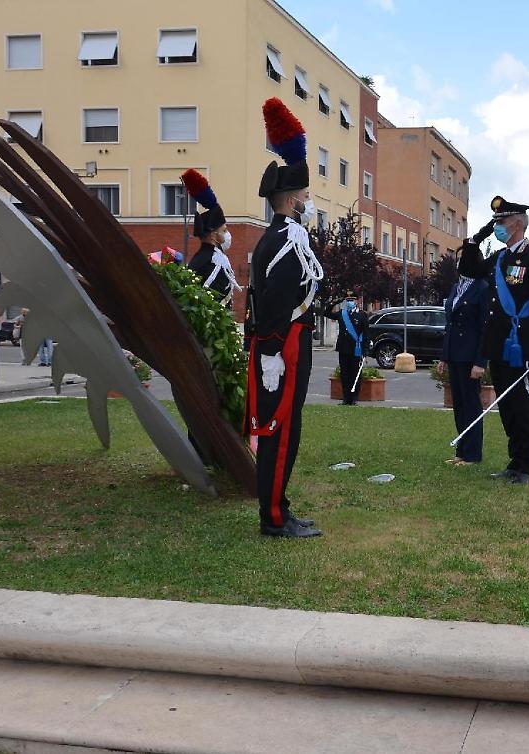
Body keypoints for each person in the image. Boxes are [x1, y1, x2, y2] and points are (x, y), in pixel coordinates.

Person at [243, 97, 324, 539]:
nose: (310, 204)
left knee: (283, 430)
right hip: (284, 345)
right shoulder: (288, 240)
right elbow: (273, 303)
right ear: (292, 200)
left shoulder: (276, 238)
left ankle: (280, 505)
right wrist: (273, 350)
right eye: (307, 197)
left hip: (281, 342)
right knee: (280, 430)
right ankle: (273, 516)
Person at [458, 196, 529, 484]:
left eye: (500, 222)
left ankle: (528, 467)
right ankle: (514, 462)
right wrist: (475, 240)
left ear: (516, 223)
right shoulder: (500, 258)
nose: (497, 226)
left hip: (521, 342)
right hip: (498, 342)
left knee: (523, 406)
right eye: (495, 222)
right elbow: (469, 270)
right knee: (507, 404)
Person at [437, 274, 490, 465]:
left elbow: (485, 327)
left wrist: (480, 361)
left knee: (471, 405)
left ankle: (473, 454)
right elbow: (449, 324)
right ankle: (462, 451)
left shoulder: (482, 287)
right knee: (459, 405)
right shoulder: (456, 287)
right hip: (455, 355)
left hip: (470, 356)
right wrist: (444, 356)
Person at [182, 169, 242, 308]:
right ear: (214, 235)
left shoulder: (206, 257)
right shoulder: (211, 261)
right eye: (224, 230)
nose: (228, 234)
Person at [324, 292, 370, 405]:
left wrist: (365, 350)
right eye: (348, 300)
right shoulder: (342, 313)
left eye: (352, 300)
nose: (350, 302)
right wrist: (335, 302)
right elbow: (326, 313)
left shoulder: (362, 315)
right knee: (344, 374)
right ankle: (346, 398)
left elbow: (366, 334)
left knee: (355, 374)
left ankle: (354, 398)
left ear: (356, 301)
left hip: (356, 349)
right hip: (343, 348)